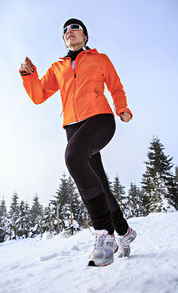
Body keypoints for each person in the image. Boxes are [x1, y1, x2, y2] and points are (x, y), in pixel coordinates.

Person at [19, 18, 137, 267]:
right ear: (64, 39)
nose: (69, 32)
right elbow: (39, 95)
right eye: (65, 31)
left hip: (100, 118)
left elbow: (115, 87)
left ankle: (105, 234)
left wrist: (122, 108)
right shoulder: (58, 67)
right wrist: (30, 75)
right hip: (72, 126)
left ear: (84, 36)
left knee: (73, 158)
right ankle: (124, 231)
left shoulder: (99, 59)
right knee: (99, 183)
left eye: (74, 28)